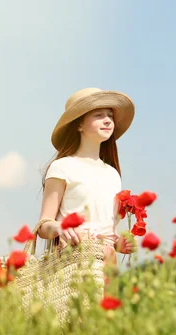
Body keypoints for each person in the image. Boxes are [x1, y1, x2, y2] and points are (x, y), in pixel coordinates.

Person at [36, 87, 137, 271]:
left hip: (107, 265)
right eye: (98, 115)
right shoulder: (62, 167)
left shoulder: (112, 174)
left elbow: (105, 228)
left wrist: (118, 243)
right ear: (79, 124)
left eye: (110, 115)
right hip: (73, 261)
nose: (107, 120)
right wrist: (61, 228)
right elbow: (44, 225)